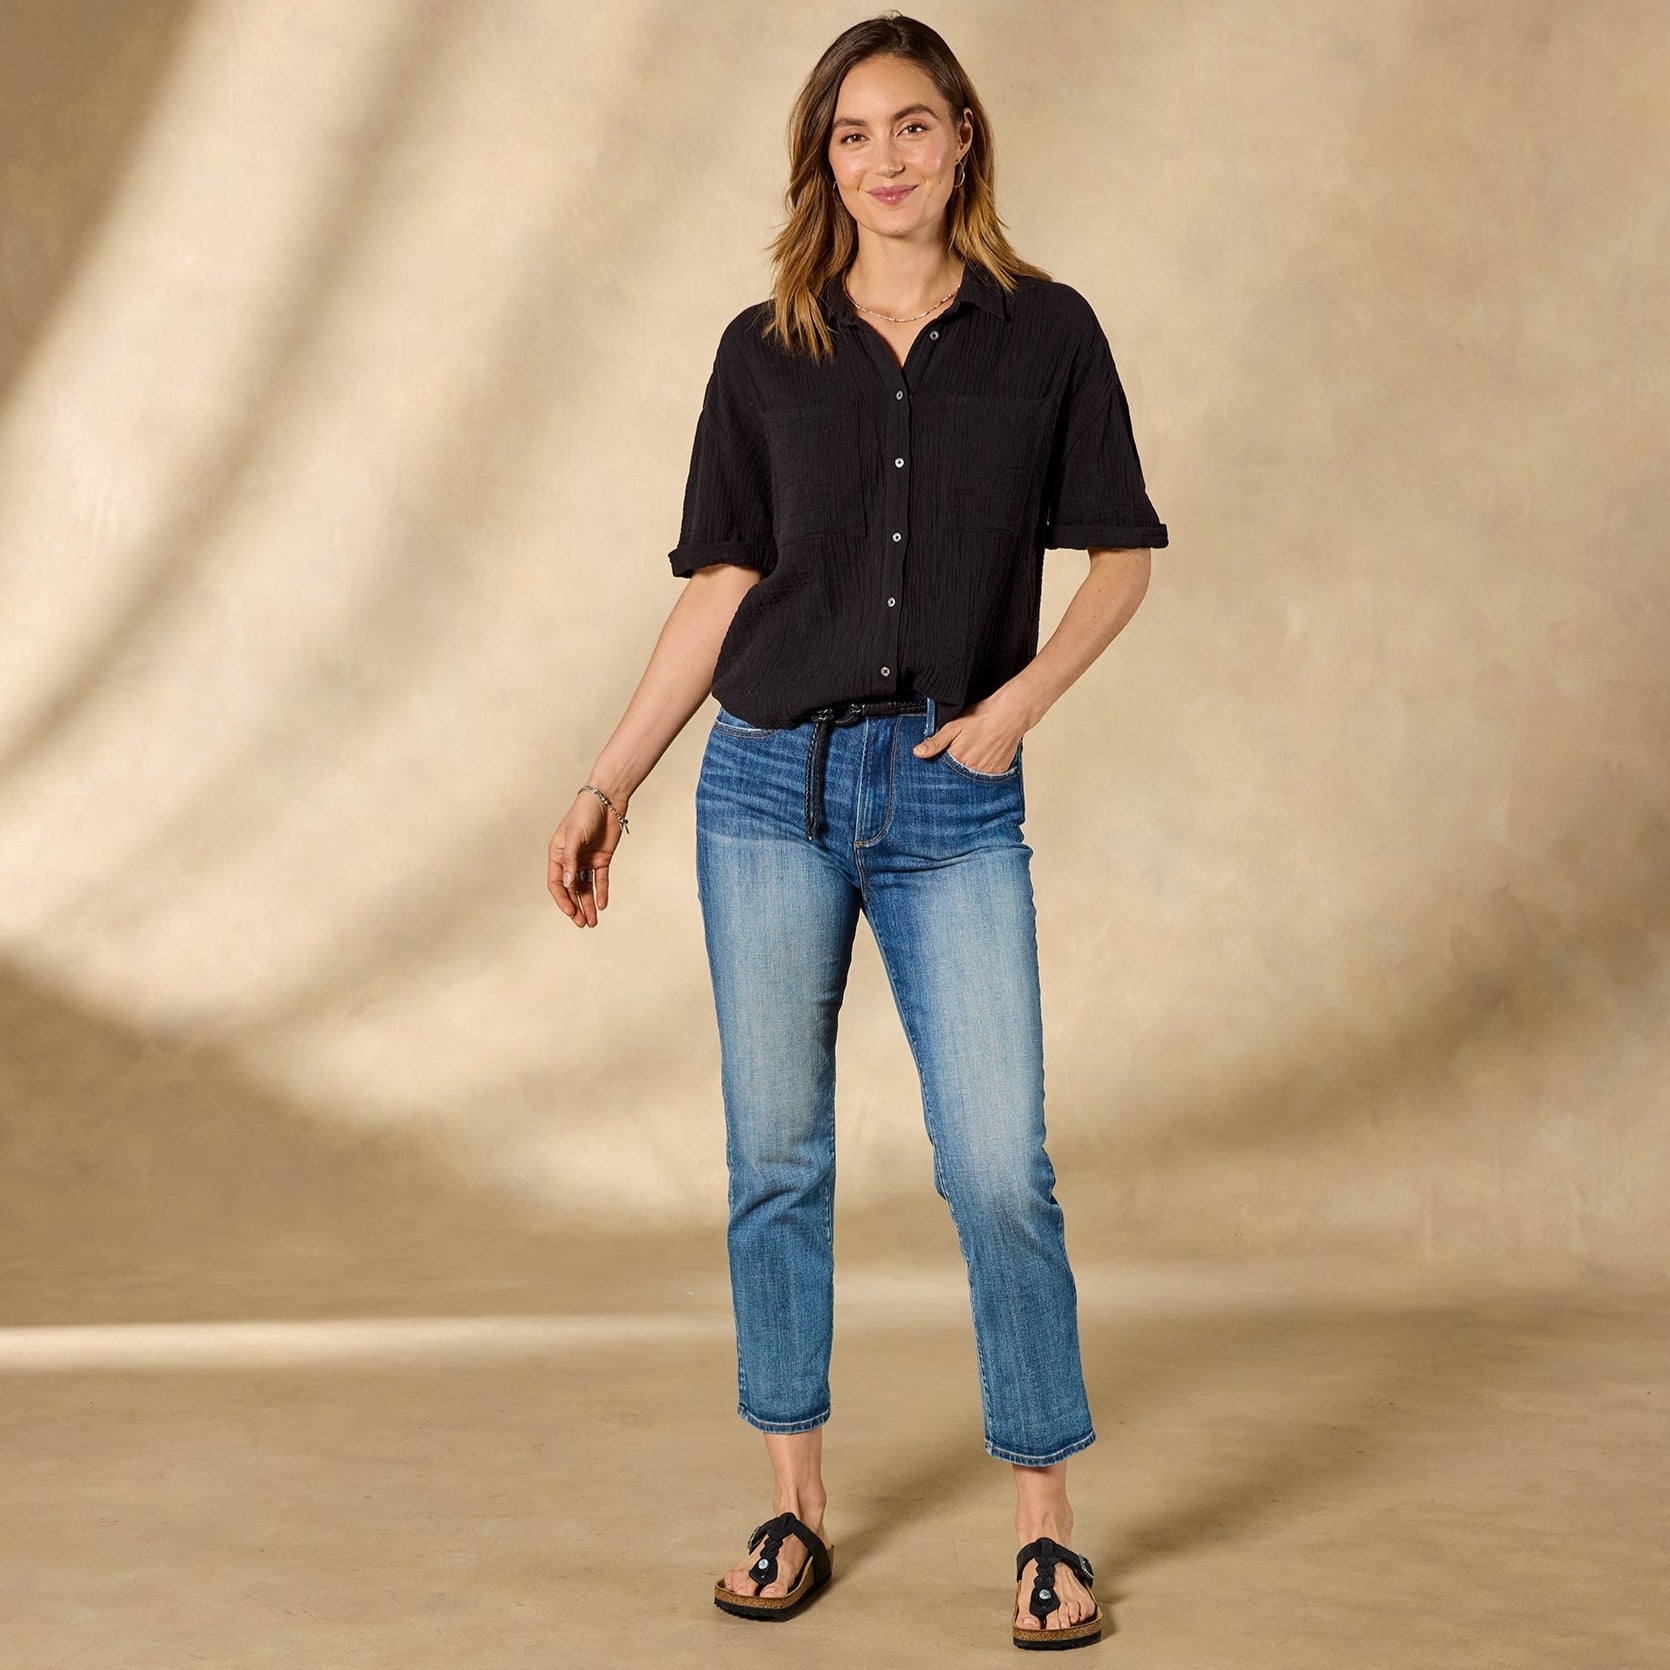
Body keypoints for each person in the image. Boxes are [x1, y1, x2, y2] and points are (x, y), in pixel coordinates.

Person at [547, 12, 1167, 1651]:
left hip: (952, 790)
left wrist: (1016, 706)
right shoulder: (765, 351)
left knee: (997, 1166)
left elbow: (1119, 559)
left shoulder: (1047, 334)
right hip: (764, 787)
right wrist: (609, 779)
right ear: (819, 163)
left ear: (960, 139)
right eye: (849, 135)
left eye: (909, 126)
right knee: (776, 1159)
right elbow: (722, 584)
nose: (881, 160)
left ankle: (1045, 1528)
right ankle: (791, 1503)